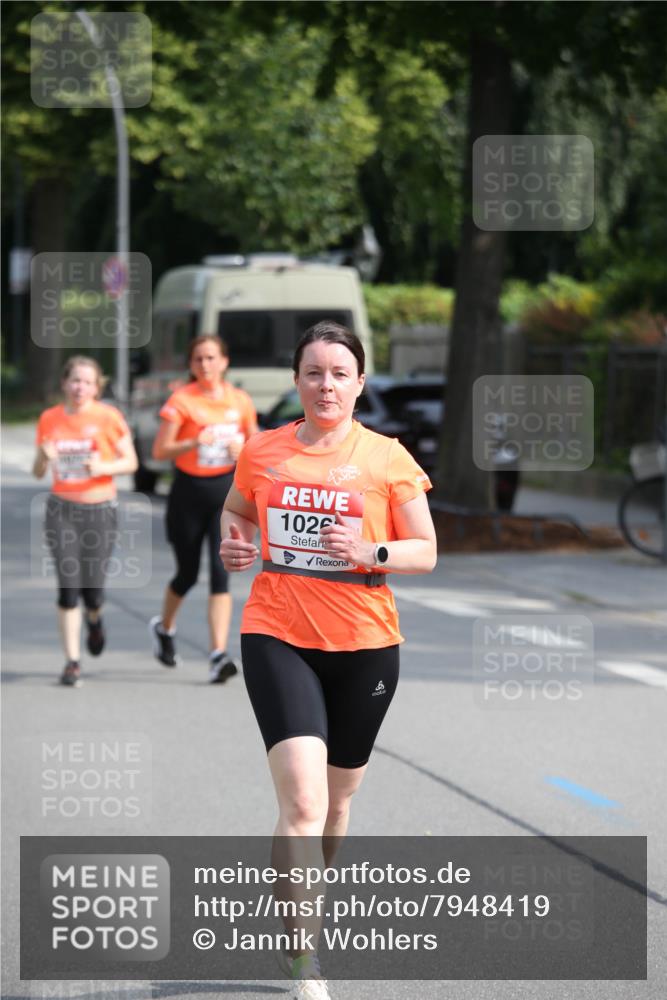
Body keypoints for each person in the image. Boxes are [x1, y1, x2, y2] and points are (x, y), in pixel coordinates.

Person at [219, 321, 437, 1000]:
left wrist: (370, 551)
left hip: (366, 644)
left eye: (339, 374)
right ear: (296, 380)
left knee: (337, 804)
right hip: (277, 633)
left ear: (359, 383)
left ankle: (307, 891)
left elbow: (425, 550)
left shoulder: (386, 458)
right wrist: (236, 543)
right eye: (313, 372)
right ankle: (301, 956)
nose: (325, 385)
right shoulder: (263, 450)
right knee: (304, 801)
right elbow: (237, 513)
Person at [150, 334, 257, 682]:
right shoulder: (182, 400)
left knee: (221, 573)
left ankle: (217, 655)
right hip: (188, 494)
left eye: (211, 358)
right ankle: (165, 628)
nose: (205, 364)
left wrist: (243, 450)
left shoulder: (239, 400)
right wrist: (193, 441)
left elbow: (256, 443)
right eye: (198, 359)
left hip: (226, 495)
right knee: (187, 573)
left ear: (224, 361)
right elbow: (160, 450)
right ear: (191, 364)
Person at [32, 355, 139, 687]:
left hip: (99, 511)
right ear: (65, 383)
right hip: (61, 511)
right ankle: (72, 661)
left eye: (88, 382)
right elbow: (38, 472)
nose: (80, 387)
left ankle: (94, 619)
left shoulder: (108, 417)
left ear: (96, 387)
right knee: (68, 587)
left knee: (92, 591)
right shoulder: (49, 419)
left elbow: (131, 462)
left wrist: (103, 468)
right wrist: (42, 457)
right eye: (75, 380)